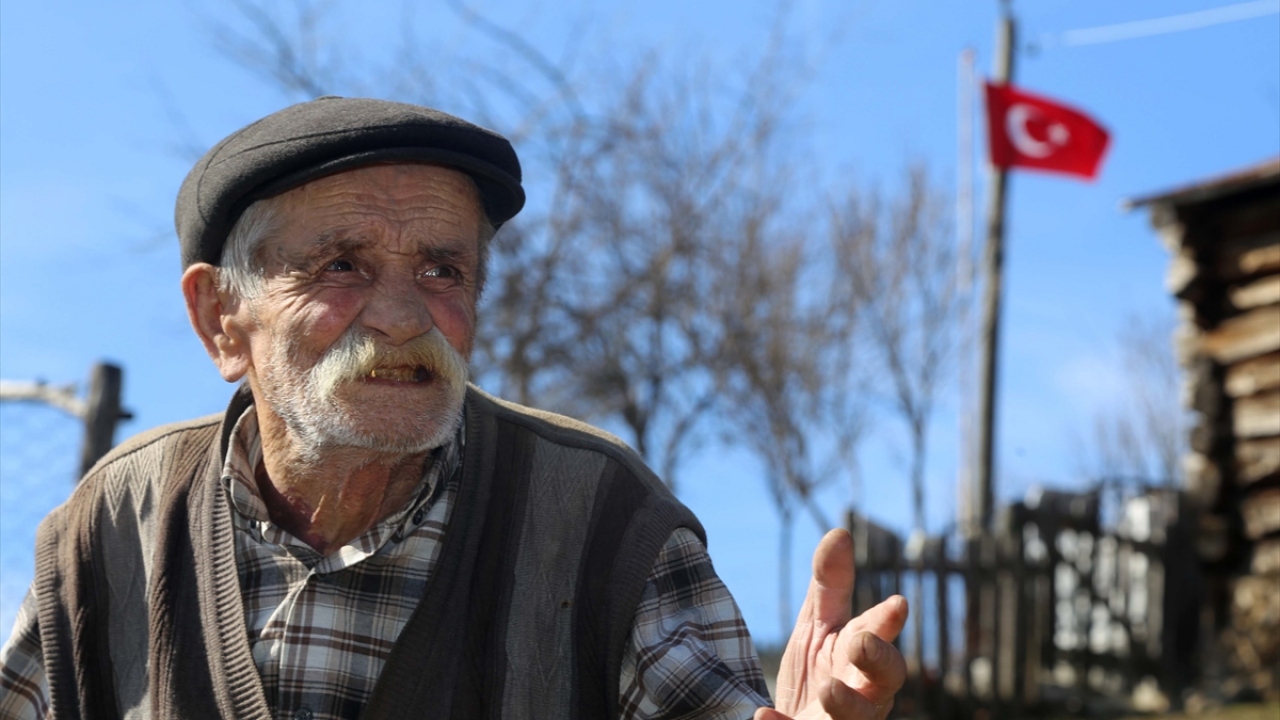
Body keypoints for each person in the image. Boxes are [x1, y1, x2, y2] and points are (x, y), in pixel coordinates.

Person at [0, 97, 906, 720]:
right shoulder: (113, 525)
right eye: (342, 265)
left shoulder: (598, 519)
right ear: (220, 318)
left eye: (443, 270)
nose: (403, 317)